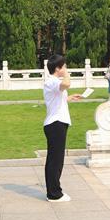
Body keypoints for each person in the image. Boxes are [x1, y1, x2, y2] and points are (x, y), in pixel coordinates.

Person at [42, 55, 83, 202]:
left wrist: (69, 98)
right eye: (63, 66)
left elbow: (58, 97)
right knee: (55, 160)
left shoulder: (53, 83)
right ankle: (54, 193)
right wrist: (65, 74)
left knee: (55, 159)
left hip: (58, 123)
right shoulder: (52, 81)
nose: (66, 69)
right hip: (55, 124)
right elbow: (66, 84)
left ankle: (53, 190)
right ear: (58, 68)